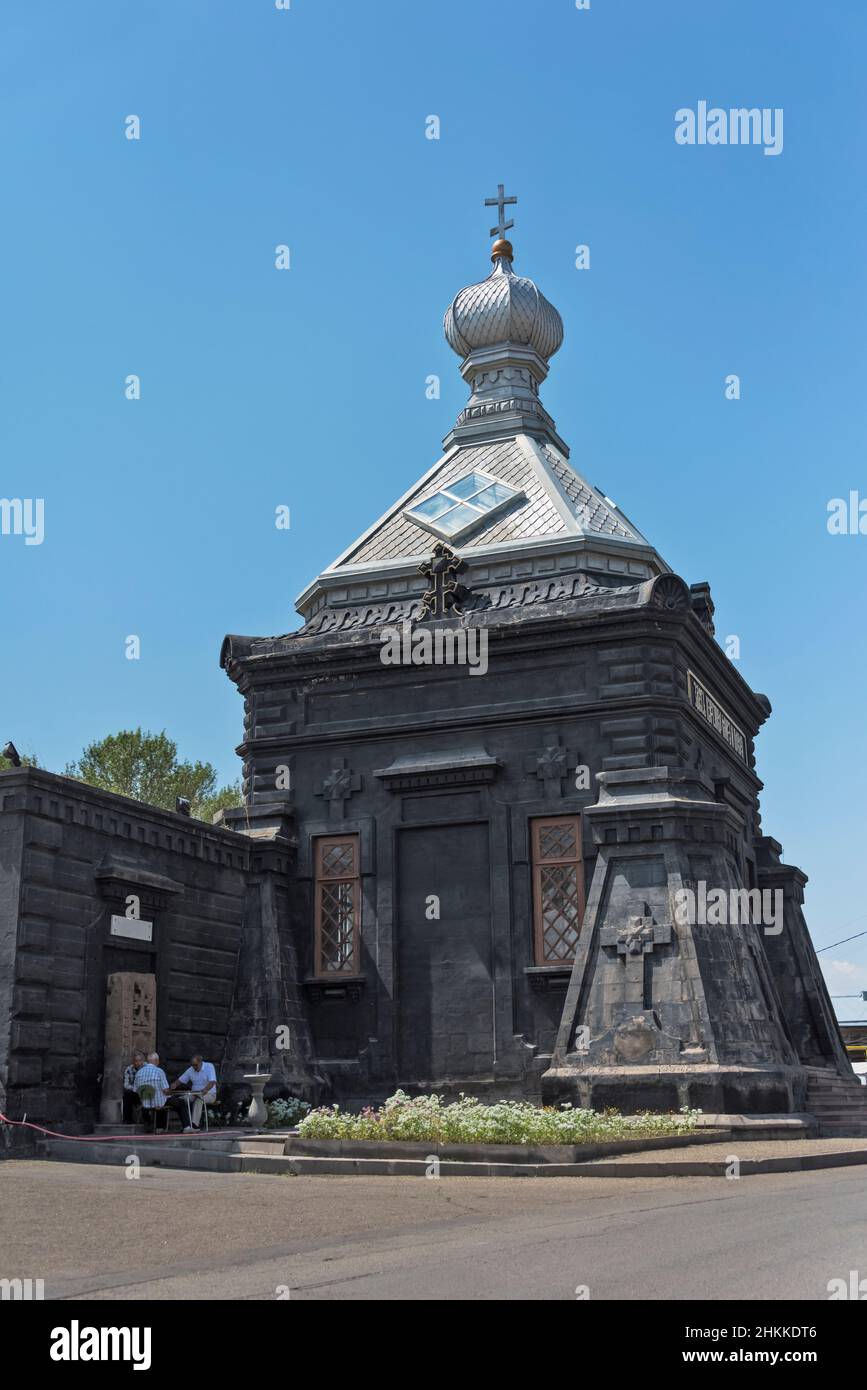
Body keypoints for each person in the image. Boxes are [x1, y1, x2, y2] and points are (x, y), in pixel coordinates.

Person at [167, 1054, 217, 1132]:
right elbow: (181, 1080)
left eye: (195, 1065)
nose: (194, 1067)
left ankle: (194, 1125)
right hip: (194, 1094)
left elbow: (212, 1081)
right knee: (181, 1100)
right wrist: (174, 1085)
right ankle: (186, 1125)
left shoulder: (209, 1067)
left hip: (209, 1094)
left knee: (199, 1100)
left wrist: (205, 1089)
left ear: (200, 1062)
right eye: (192, 1065)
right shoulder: (190, 1069)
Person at [134, 1052, 170, 1132]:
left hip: (145, 1104)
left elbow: (136, 1090)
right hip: (158, 1104)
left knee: (160, 1098)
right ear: (157, 1061)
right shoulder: (159, 1071)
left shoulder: (139, 1072)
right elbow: (165, 1090)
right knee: (178, 1103)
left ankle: (149, 1124)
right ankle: (160, 1127)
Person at [122, 1051, 145, 1123]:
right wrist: (135, 1088)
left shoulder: (147, 1067)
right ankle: (127, 1119)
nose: (138, 1063)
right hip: (135, 1092)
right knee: (127, 1094)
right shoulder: (129, 1069)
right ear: (133, 1062)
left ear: (143, 1061)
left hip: (145, 1091)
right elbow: (126, 1085)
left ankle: (147, 1120)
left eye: (140, 1060)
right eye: (136, 1061)